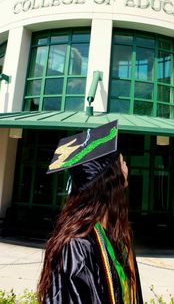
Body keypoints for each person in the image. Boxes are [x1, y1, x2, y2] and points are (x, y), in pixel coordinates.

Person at [37, 120, 143, 304]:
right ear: (109, 179)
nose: (126, 168)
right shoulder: (77, 245)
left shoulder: (114, 236)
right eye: (122, 162)